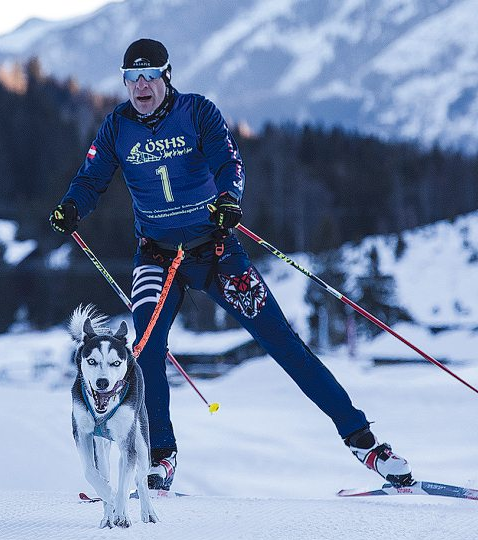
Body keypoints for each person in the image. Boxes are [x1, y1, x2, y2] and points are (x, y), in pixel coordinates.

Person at [50, 38, 413, 491]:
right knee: (143, 352)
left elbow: (228, 160)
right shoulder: (116, 127)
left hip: (217, 252)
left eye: (148, 77)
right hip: (158, 258)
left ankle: (366, 445)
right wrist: (71, 207)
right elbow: (92, 178)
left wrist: (229, 200)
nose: (140, 87)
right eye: (131, 79)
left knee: (283, 343)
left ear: (166, 76)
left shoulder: (197, 111)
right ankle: (159, 457)